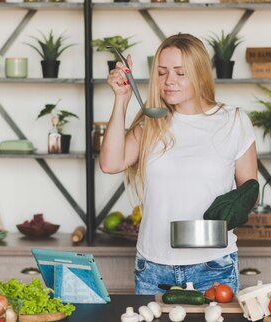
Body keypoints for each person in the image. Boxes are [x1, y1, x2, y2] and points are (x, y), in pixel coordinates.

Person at [99, 33, 258, 295]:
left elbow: (250, 189)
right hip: (153, 267)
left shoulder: (234, 121)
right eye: (161, 73)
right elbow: (110, 163)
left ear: (199, 73)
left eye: (179, 73)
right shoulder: (150, 123)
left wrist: (230, 210)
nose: (168, 81)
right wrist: (121, 100)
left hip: (213, 266)